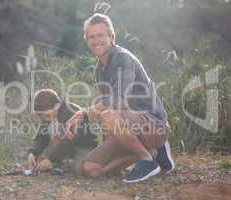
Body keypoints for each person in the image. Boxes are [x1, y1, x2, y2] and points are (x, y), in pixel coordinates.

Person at [66, 13, 175, 183]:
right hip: (126, 129)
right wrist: (107, 142)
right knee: (90, 169)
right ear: (87, 40)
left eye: (100, 35)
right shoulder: (99, 69)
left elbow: (118, 100)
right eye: (91, 37)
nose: (96, 41)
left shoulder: (122, 58)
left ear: (111, 36)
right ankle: (153, 152)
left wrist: (84, 113)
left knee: (108, 114)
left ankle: (147, 160)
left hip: (154, 126)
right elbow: (105, 104)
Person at [26, 89, 98, 175]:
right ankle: (63, 163)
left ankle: (65, 164)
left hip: (83, 146)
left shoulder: (73, 112)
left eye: (48, 115)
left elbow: (71, 140)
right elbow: (41, 138)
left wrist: (51, 159)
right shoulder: (49, 117)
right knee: (53, 161)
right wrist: (33, 152)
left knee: (80, 169)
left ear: (57, 106)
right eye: (43, 117)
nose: (46, 119)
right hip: (63, 149)